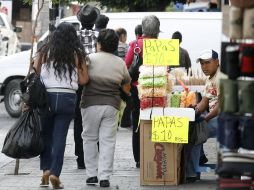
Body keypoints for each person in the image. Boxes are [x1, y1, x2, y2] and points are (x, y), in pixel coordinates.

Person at [34, 22, 89, 189]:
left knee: (46, 136)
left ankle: (45, 170)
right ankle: (55, 174)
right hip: (67, 98)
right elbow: (84, 80)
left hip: (47, 98)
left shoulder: (44, 51)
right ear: (74, 37)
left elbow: (36, 70)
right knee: (60, 137)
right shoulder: (77, 54)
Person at [80, 29, 131, 187]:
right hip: (111, 105)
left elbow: (82, 78)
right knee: (107, 141)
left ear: (99, 44)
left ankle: (91, 175)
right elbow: (127, 88)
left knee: (89, 138)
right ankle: (104, 177)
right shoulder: (120, 63)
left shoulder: (90, 59)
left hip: (90, 104)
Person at [125, 15, 161, 168]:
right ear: (157, 30)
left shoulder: (135, 44)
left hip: (137, 90)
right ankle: (157, 153)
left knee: (138, 122)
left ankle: (139, 158)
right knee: (157, 121)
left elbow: (126, 67)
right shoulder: (162, 46)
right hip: (158, 89)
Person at [186, 49, 220, 183]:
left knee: (195, 133)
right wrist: (195, 111)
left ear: (217, 62)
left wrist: (205, 119)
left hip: (223, 119)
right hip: (214, 116)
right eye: (202, 64)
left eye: (207, 63)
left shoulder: (221, 78)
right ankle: (197, 163)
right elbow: (205, 101)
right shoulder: (210, 78)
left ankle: (191, 173)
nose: (204, 66)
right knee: (193, 126)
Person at [74, 4, 100, 170]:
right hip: (96, 83)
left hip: (77, 83)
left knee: (79, 121)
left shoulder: (74, 36)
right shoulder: (100, 35)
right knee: (95, 121)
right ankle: (94, 157)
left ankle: (81, 159)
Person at [120, 24, 143, 129]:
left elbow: (127, 63)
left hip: (136, 84)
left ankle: (137, 136)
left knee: (136, 112)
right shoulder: (157, 44)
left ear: (137, 34)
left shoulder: (134, 44)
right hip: (154, 86)